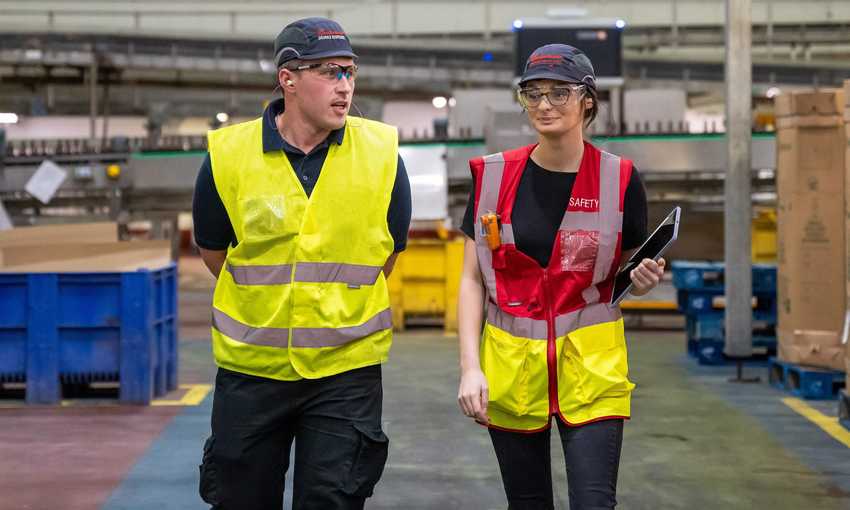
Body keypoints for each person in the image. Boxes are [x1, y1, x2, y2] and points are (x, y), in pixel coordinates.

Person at [191, 17, 411, 510]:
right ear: (288, 77)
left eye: (351, 73)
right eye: (331, 72)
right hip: (252, 371)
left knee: (333, 499)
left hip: (345, 369)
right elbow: (213, 251)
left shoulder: (381, 154)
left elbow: (389, 253)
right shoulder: (228, 155)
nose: (345, 86)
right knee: (241, 499)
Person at [456, 44, 663, 510]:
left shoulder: (620, 180)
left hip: (592, 375)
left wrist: (642, 279)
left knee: (594, 503)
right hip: (512, 376)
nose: (545, 105)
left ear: (587, 99)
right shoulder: (492, 177)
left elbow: (625, 269)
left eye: (559, 93)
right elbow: (471, 279)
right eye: (533, 94)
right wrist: (470, 367)